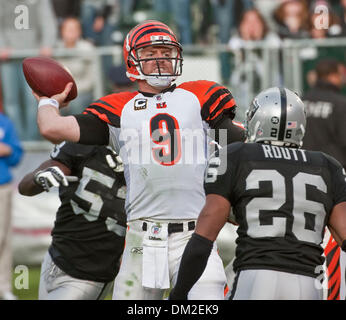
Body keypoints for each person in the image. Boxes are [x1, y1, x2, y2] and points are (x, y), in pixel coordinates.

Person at [31, 20, 245, 300]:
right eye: (150, 54)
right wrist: (48, 100)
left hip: (194, 235)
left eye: (165, 53)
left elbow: (239, 143)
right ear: (132, 60)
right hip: (140, 241)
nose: (160, 61)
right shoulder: (119, 108)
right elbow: (51, 128)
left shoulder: (201, 96)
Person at [169, 87, 346, 300]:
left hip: (257, 275)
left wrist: (178, 294)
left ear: (258, 120)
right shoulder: (328, 166)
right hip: (309, 283)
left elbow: (204, 238)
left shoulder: (236, 156)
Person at [18, 142, 126, 299]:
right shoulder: (80, 144)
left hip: (90, 272)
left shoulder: (140, 154)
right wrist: (39, 178)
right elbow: (25, 187)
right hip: (56, 257)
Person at [0, 0, 58, 140]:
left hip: (34, 57)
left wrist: (47, 44)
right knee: (11, 101)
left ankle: (32, 141)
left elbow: (48, 21)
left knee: (32, 100)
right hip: (9, 58)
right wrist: (1, 46)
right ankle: (19, 141)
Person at [302, 58, 346, 170]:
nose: (343, 78)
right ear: (332, 75)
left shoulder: (301, 101)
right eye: (340, 74)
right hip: (333, 170)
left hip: (303, 166)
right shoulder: (340, 103)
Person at [0, 111, 23, 300]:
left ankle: (4, 286)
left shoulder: (4, 122)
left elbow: (16, 156)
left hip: (3, 187)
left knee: (4, 238)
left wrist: (7, 150)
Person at [56, 17, 95, 115]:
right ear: (62, 31)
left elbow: (93, 79)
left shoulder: (87, 48)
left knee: (76, 104)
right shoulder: (56, 50)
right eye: (68, 29)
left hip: (81, 92)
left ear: (79, 31)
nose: (71, 32)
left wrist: (72, 92)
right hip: (61, 93)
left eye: (74, 29)